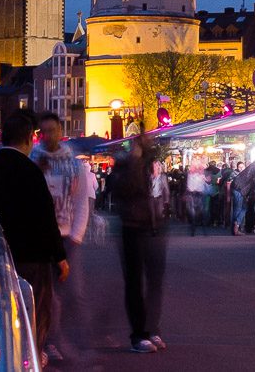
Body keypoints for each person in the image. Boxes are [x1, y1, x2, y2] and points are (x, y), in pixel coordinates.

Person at [0, 110, 68, 365]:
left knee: (0, 310)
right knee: (34, 311)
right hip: (33, 255)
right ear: (28, 139)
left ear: (2, 137)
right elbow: (46, 216)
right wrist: (60, 256)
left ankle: (2, 356)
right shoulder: (31, 172)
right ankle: (30, 358)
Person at [30, 113, 91, 361]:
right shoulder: (33, 159)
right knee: (46, 294)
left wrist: (76, 235)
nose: (48, 136)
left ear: (60, 130)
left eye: (52, 130)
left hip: (66, 235)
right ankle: (48, 342)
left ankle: (70, 338)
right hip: (42, 236)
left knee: (72, 292)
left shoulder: (72, 163)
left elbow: (81, 201)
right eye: (43, 131)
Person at [110, 134, 170, 353]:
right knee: (135, 281)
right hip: (133, 227)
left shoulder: (154, 163)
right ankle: (139, 334)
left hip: (155, 226)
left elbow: (161, 192)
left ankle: (152, 328)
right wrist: (134, 161)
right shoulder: (125, 164)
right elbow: (122, 190)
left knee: (155, 281)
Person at [185, 161, 207, 236]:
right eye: (192, 167)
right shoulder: (189, 175)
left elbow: (205, 184)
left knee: (200, 212)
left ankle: (201, 228)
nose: (193, 168)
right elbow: (188, 186)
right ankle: (193, 228)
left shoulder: (200, 175)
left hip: (199, 194)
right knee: (193, 213)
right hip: (192, 194)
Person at [229, 161, 247, 235]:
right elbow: (230, 181)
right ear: (237, 167)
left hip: (242, 192)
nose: (241, 168)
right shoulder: (234, 173)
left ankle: (236, 224)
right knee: (238, 208)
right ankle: (236, 226)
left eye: (242, 167)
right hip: (237, 191)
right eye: (240, 167)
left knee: (244, 208)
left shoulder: (246, 173)